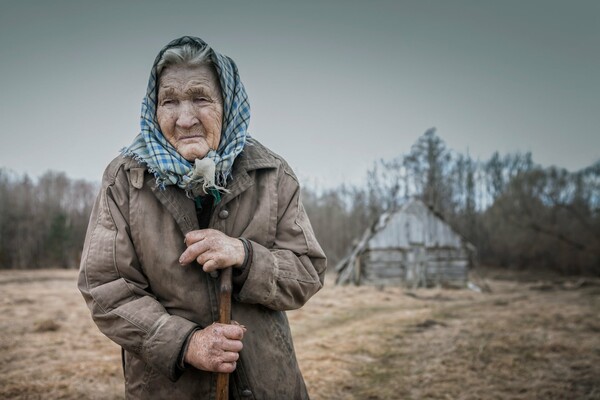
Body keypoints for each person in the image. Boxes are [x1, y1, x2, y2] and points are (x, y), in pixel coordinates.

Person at [78, 36, 326, 399]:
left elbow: (307, 271)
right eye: (170, 101)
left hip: (268, 386)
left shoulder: (271, 174)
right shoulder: (126, 180)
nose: (185, 118)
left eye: (200, 98)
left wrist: (246, 256)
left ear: (227, 103)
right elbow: (105, 288)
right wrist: (186, 343)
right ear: (153, 107)